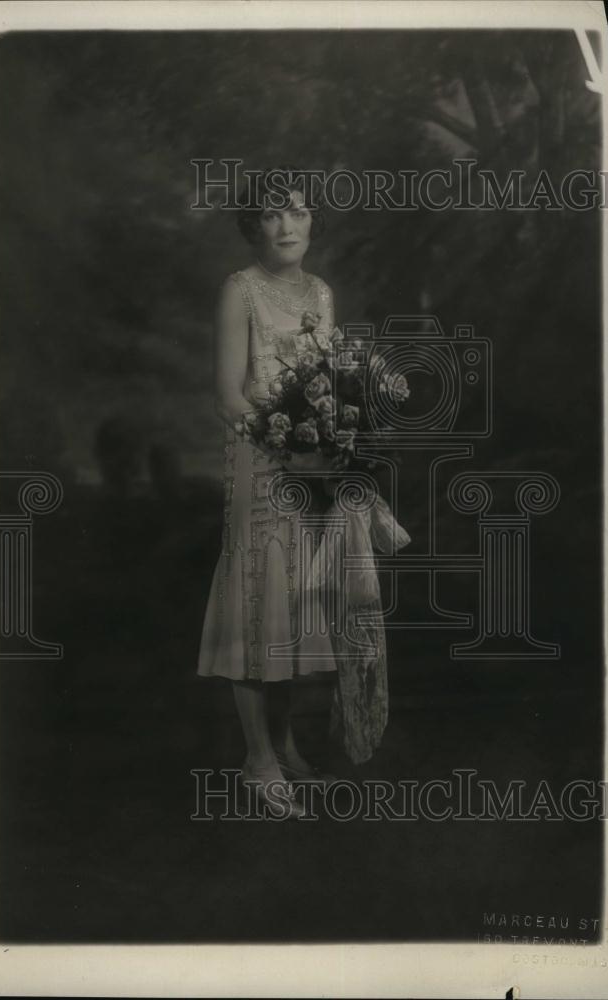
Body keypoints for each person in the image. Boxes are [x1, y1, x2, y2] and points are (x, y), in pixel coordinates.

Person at [197, 169, 337, 816]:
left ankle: (283, 743)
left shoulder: (320, 294)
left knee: (293, 604)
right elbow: (228, 395)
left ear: (311, 222)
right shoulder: (240, 292)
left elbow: (326, 382)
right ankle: (257, 761)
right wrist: (278, 435)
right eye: (272, 216)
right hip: (259, 464)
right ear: (253, 227)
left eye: (298, 214)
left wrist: (328, 435)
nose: (286, 226)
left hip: (307, 467)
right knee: (257, 604)